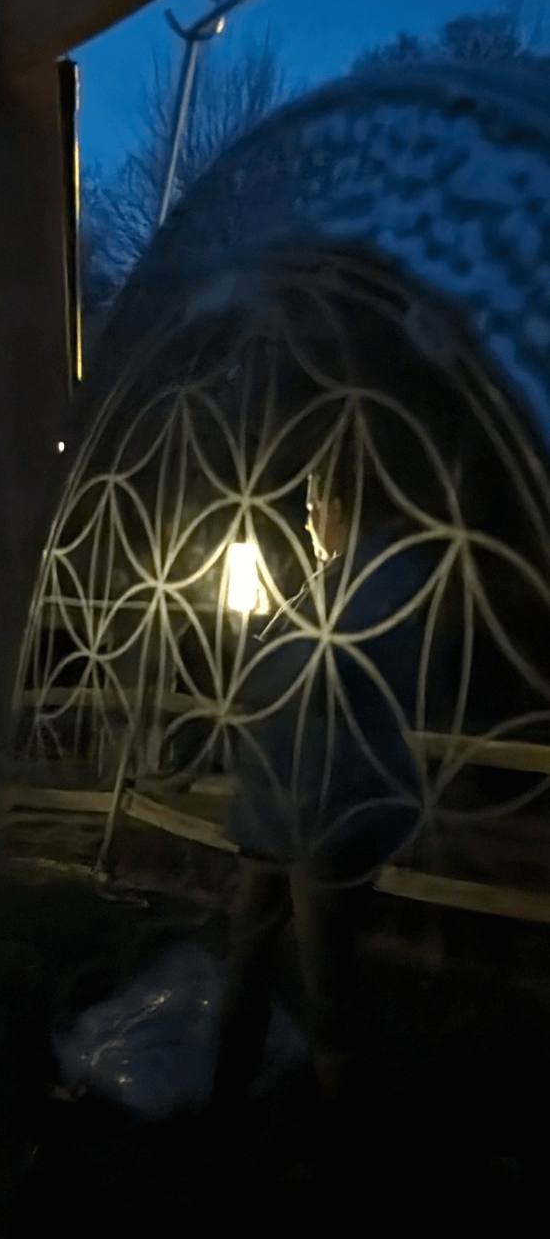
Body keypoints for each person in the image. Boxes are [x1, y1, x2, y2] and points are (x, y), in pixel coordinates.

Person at [211, 456, 439, 1111]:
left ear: (341, 509)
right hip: (289, 804)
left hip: (325, 806)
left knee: (325, 970)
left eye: (314, 508)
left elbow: (314, 683)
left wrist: (265, 669)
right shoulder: (355, 581)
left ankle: (344, 1127)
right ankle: (230, 1097)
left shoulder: (365, 588)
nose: (309, 523)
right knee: (257, 952)